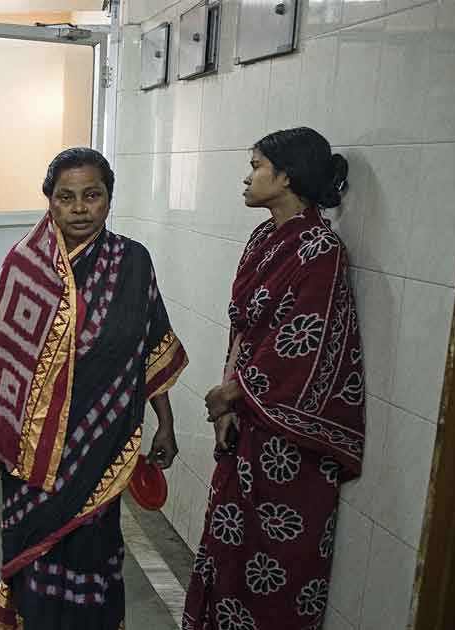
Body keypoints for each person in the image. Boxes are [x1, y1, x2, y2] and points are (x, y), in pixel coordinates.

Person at [0, 147, 187, 629]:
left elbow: (151, 346)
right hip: (32, 452)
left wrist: (165, 422)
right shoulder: (25, 265)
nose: (80, 208)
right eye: (66, 197)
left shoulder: (133, 262)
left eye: (92, 195)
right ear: (49, 201)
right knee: (34, 553)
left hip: (102, 445)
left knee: (93, 547)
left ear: (109, 199)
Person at [182, 128, 365, 630]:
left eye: (257, 165)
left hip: (288, 443)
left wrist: (234, 392)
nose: (247, 176)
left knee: (272, 563)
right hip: (245, 419)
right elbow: (245, 325)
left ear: (286, 176)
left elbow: (302, 348)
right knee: (227, 548)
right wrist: (227, 398)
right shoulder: (265, 237)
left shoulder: (321, 251)